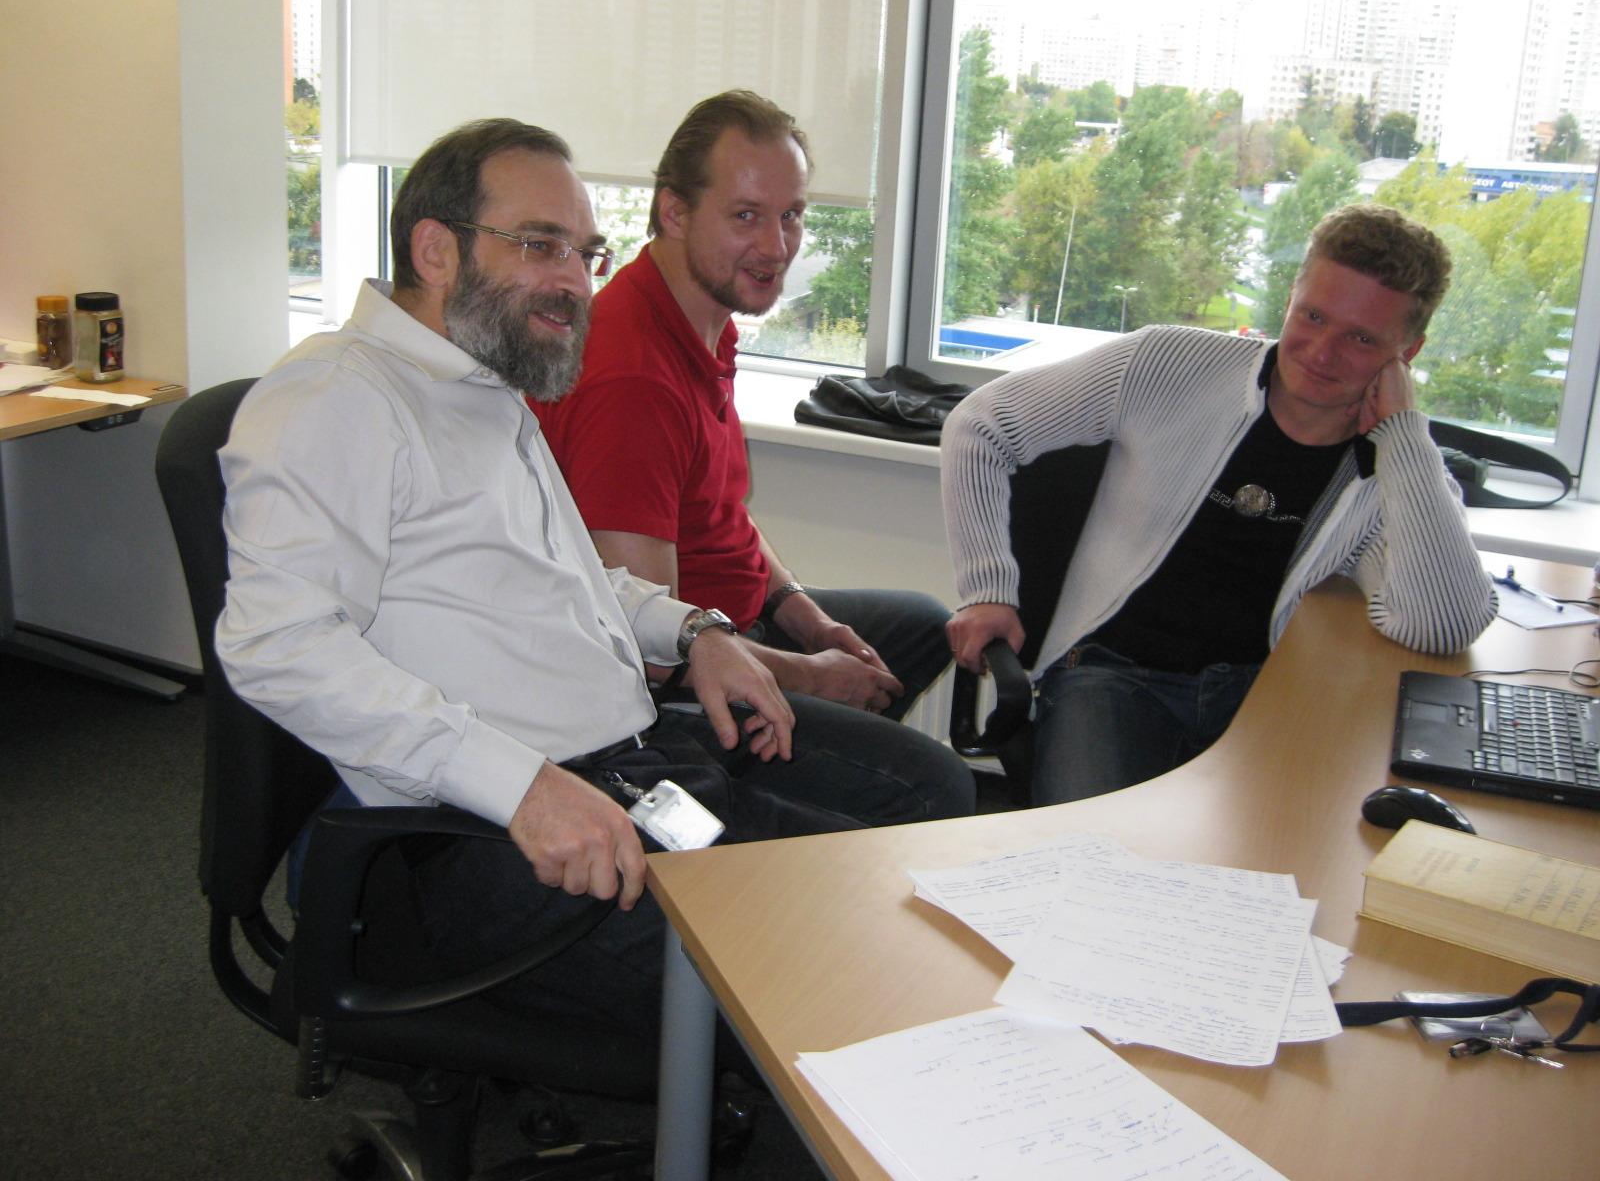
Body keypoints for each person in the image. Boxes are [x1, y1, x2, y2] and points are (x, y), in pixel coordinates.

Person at [214, 118, 946, 1049]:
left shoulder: (481, 384)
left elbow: (573, 577)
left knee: (899, 875)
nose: (575, 280)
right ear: (436, 251)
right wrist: (522, 787)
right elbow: (275, 643)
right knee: (841, 977)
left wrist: (696, 633)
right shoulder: (338, 398)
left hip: (628, 771)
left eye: (585, 253)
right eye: (540, 245)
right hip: (488, 831)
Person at [943, 203, 1497, 807]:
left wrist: (1406, 437)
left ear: (1406, 353)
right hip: (1110, 675)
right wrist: (989, 588)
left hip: (1269, 695)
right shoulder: (1167, 363)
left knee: (1299, 853)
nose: (1321, 351)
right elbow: (981, 425)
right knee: (1092, 852)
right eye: (1312, 316)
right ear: (1291, 298)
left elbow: (1441, 625)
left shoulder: (1390, 468)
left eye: (1361, 339)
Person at [530, 90, 952, 727]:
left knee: (924, 626)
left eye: (791, 215)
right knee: (928, 776)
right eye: (746, 216)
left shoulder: (704, 321)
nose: (777, 247)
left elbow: (719, 514)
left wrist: (806, 617)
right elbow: (644, 642)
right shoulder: (633, 377)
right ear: (675, 212)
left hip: (739, 621)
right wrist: (812, 676)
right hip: (680, 685)